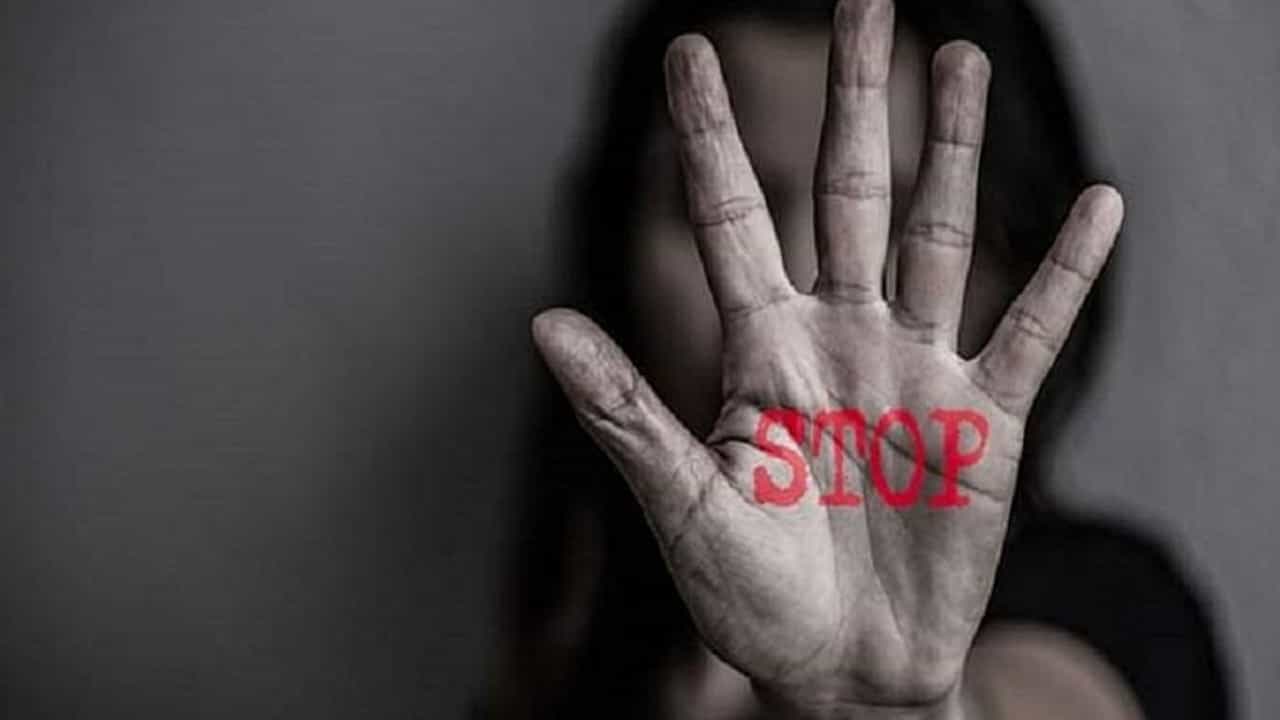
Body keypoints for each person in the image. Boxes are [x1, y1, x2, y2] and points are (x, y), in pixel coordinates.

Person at [488, 0, 1232, 717]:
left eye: (898, 218)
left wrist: (882, 711)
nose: (794, 285)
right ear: (613, 247)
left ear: (1014, 266)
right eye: (705, 206)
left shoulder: (1110, 610)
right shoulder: (568, 638)